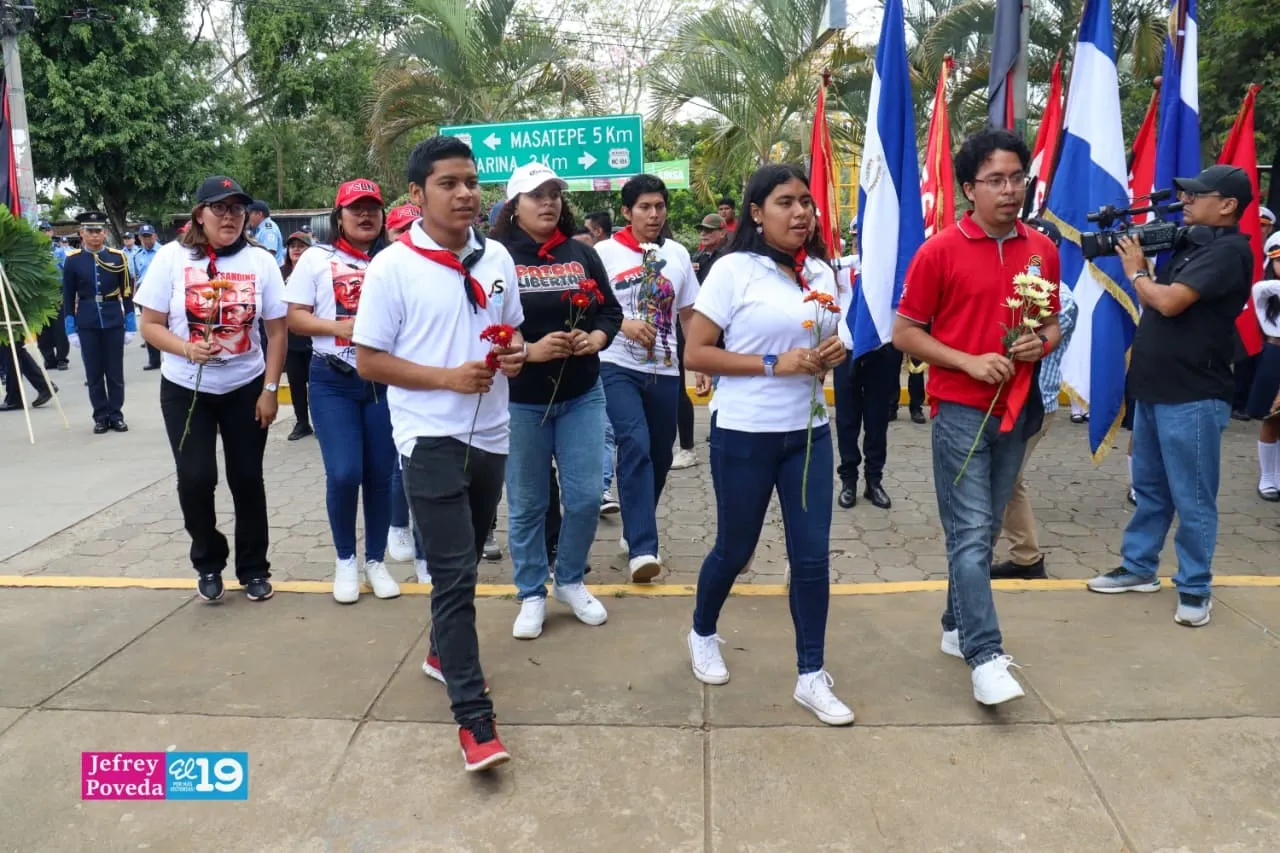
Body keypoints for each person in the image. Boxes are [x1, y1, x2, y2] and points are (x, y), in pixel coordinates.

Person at [353, 136, 526, 772]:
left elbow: (514, 333)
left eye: (471, 182)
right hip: (427, 436)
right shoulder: (392, 267)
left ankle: (439, 651)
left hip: (492, 433)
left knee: (466, 562)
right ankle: (475, 719)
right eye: (449, 183)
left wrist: (516, 354)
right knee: (454, 575)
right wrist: (446, 379)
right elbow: (369, 360)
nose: (465, 194)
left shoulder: (497, 257)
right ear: (417, 194)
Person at [893, 128, 1061, 706]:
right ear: (970, 188)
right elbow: (904, 333)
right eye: (996, 180)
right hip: (961, 411)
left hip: (1018, 408)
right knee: (969, 534)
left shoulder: (1042, 250)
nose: (1010, 190)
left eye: (1017, 178)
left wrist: (1042, 342)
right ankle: (985, 656)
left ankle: (954, 623)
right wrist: (967, 360)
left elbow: (1051, 323)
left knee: (985, 530)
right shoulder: (939, 251)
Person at [684, 163, 854, 725]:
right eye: (786, 202)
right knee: (736, 549)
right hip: (744, 432)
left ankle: (811, 674)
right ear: (757, 213)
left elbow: (838, 337)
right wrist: (771, 363)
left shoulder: (820, 271)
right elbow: (697, 352)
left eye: (806, 202)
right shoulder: (733, 270)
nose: (801, 212)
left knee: (811, 556)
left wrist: (835, 350)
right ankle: (702, 631)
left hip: (809, 433)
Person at [1086, 165, 1256, 627]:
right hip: (1156, 386)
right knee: (1150, 490)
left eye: (1198, 195)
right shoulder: (1192, 243)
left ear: (1228, 206)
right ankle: (1139, 567)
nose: (1186, 201)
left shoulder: (1229, 251)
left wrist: (1136, 271)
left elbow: (1169, 301)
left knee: (1193, 497)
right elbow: (1156, 300)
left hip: (1194, 392)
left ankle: (1195, 587)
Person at [135, 175, 288, 603]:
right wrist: (185, 348)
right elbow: (150, 325)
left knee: (247, 478)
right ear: (199, 215)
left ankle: (254, 568)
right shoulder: (171, 258)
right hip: (186, 388)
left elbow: (277, 332)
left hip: (245, 386)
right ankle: (208, 559)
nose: (229, 217)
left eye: (237, 209)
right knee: (196, 478)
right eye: (218, 208)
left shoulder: (260, 262)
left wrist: (270, 388)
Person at [488, 162, 622, 638]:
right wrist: (529, 351)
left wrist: (596, 338)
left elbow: (609, 310)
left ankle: (568, 580)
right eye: (536, 195)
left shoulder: (581, 253)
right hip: (521, 401)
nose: (548, 202)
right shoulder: (496, 257)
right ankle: (530, 592)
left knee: (585, 497)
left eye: (554, 194)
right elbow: (485, 323)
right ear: (514, 205)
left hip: (582, 393)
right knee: (528, 502)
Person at [286, 180, 400, 605]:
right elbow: (296, 318)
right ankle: (345, 559)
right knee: (345, 472)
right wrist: (339, 327)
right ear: (339, 217)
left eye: (373, 208)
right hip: (333, 379)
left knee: (381, 474)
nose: (365, 216)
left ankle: (376, 560)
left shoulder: (396, 259)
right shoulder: (317, 259)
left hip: (384, 380)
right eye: (356, 209)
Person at [594, 174, 701, 582]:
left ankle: (636, 524)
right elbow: (591, 305)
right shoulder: (604, 253)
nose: (654, 214)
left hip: (664, 367)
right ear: (627, 212)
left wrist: (698, 361)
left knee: (659, 453)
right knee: (634, 443)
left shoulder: (677, 253)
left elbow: (688, 313)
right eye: (644, 207)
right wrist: (623, 324)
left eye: (659, 206)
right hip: (616, 363)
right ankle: (643, 548)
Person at [992, 219, 1078, 580]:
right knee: (1006, 478)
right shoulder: (1018, 286)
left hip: (1034, 403)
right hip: (1005, 399)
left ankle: (1023, 558)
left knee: (1006, 478)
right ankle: (1024, 556)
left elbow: (1031, 340)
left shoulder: (1062, 299)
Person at [831, 239, 897, 511]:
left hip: (879, 349)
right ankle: (848, 480)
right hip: (845, 350)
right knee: (847, 421)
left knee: (877, 420)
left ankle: (874, 480)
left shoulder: (887, 269)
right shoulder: (840, 268)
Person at [62, 211, 136, 433]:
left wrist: (130, 324)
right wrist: (70, 328)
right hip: (87, 321)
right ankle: (100, 416)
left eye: (98, 231)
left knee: (115, 372)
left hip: (113, 319)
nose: (94, 235)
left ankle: (116, 414)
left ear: (105, 233)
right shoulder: (73, 260)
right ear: (81, 233)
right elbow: (68, 296)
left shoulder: (118, 258)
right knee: (93, 373)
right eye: (90, 231)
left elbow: (127, 293)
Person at [1249, 232, 1280, 500]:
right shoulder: (1265, 289)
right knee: (1272, 418)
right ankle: (1267, 477)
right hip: (1275, 354)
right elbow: (1265, 288)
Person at [281, 231, 315, 440]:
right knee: (295, 382)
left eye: (301, 246)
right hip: (290, 338)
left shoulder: (317, 272)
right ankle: (302, 422)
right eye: (292, 246)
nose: (296, 249)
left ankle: (320, 422)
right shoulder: (281, 272)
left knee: (316, 383)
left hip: (313, 337)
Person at [37, 219, 71, 371]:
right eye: (40, 231)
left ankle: (62, 358)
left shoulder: (59, 251)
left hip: (57, 293)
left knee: (59, 328)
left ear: (51, 232)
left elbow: (67, 272)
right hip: (40, 294)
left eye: (46, 230)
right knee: (43, 330)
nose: (43, 233)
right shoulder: (32, 251)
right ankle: (49, 358)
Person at [248, 200, 286, 265]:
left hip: (271, 268)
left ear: (259, 214)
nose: (248, 217)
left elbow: (270, 254)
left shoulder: (268, 229)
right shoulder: (261, 229)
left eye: (250, 214)